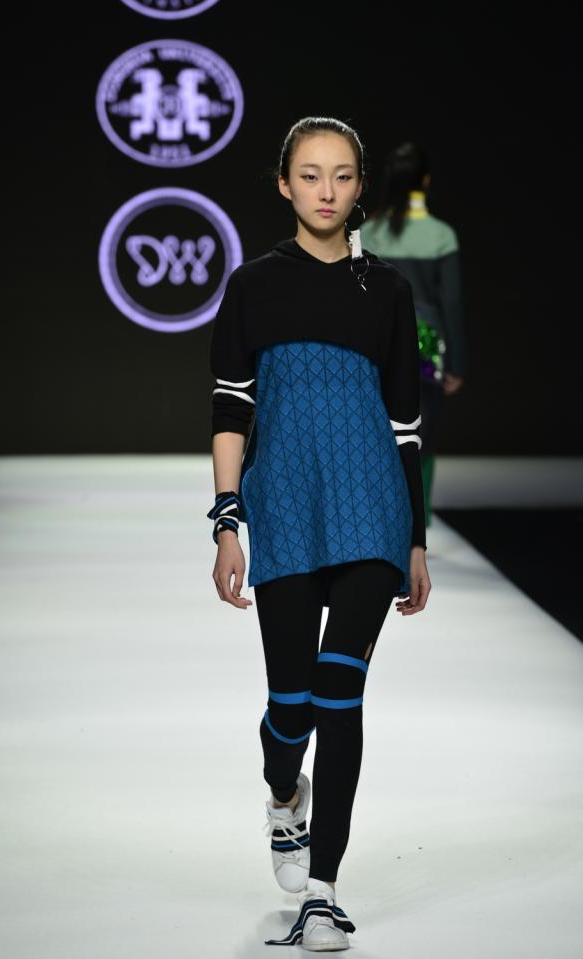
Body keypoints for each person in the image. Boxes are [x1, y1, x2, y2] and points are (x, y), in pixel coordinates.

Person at [206, 117, 431, 951]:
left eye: (341, 175)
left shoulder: (388, 291)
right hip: (287, 507)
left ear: (360, 185)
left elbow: (406, 423)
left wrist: (414, 539)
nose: (326, 191)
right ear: (284, 184)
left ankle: (324, 893)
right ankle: (282, 794)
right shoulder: (252, 285)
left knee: (340, 696)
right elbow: (232, 405)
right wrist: (227, 518)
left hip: (373, 508)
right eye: (310, 174)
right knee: (291, 706)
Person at [360, 142, 467, 533]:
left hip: (380, 345)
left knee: (378, 433)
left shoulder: (368, 233)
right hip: (427, 348)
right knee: (424, 433)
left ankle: (380, 521)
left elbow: (358, 298)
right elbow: (450, 301)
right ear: (426, 180)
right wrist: (457, 363)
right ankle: (415, 526)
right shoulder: (441, 235)